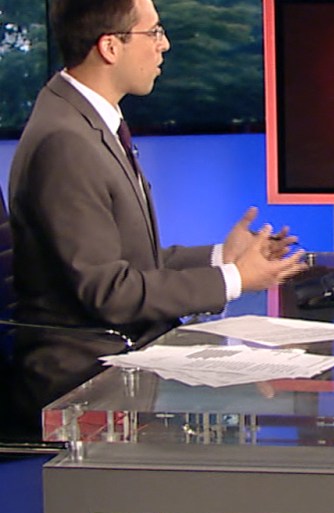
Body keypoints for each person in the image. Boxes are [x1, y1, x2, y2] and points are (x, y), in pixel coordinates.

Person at [6, 0, 308, 434]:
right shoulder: (66, 141)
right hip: (83, 377)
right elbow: (109, 291)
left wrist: (221, 257)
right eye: (154, 32)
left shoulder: (85, 120)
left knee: (275, 381)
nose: (164, 45)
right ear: (110, 47)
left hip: (122, 352)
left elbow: (127, 262)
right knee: (277, 400)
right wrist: (236, 279)